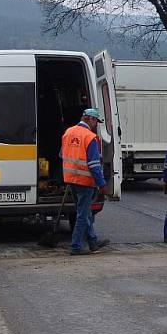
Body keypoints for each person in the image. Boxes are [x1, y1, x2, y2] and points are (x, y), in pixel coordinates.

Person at [61, 108, 110, 255]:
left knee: (85, 212)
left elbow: (61, 154)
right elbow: (94, 165)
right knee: (82, 215)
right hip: (84, 180)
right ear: (91, 119)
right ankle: (76, 246)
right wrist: (102, 184)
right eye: (96, 121)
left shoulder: (68, 132)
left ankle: (93, 242)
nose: (96, 125)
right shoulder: (90, 137)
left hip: (70, 178)